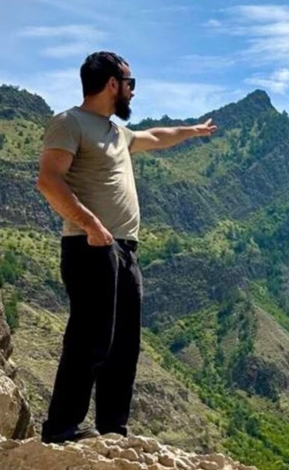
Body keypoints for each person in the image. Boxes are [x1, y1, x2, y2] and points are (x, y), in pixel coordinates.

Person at [36, 51, 216, 443]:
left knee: (123, 347)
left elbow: (157, 137)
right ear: (112, 84)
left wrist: (193, 130)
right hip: (89, 246)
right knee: (89, 340)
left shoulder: (117, 133)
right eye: (130, 83)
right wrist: (91, 225)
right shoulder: (69, 123)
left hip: (124, 250)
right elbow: (49, 180)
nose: (133, 91)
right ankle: (61, 429)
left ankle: (113, 430)